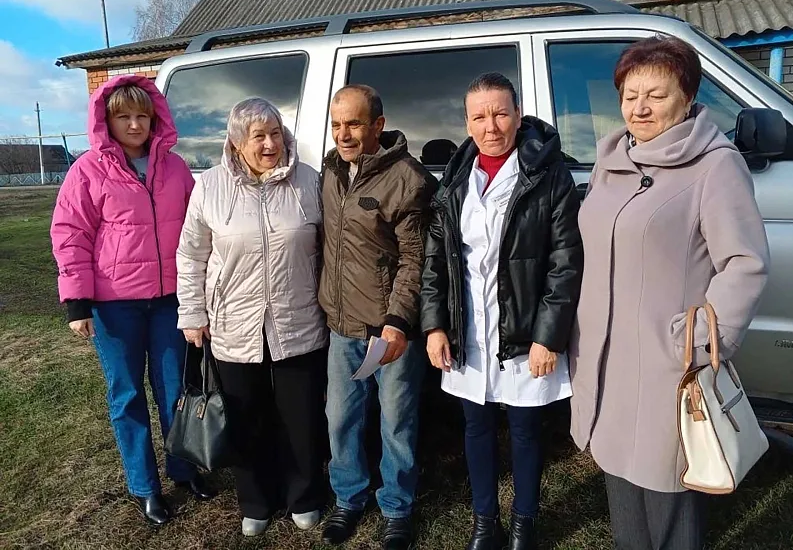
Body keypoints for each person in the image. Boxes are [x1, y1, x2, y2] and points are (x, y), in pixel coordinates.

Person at [569, 36, 770, 550]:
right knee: (620, 476)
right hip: (607, 357)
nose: (639, 107)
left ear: (687, 96)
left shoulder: (714, 165)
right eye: (629, 94)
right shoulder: (612, 158)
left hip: (667, 363)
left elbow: (744, 263)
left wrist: (701, 339)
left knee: (668, 489)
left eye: (655, 95)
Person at [421, 73, 583, 550]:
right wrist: (434, 326)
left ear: (517, 114)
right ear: (467, 123)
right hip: (469, 326)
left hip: (525, 329)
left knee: (526, 428)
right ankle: (485, 522)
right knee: (475, 425)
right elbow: (436, 261)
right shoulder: (455, 178)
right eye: (479, 116)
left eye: (500, 112)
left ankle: (523, 524)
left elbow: (565, 261)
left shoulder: (549, 175)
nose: (491, 125)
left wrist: (548, 336)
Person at [50, 75, 214, 526]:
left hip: (169, 302)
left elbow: (198, 230)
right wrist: (77, 302)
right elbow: (70, 234)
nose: (135, 124)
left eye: (142, 115)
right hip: (114, 306)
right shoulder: (87, 171)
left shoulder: (176, 168)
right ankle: (145, 487)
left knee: (175, 392)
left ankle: (184, 470)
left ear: (155, 117)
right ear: (108, 121)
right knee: (127, 396)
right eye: (124, 116)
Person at [176, 97, 328, 537]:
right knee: (246, 417)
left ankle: (304, 495)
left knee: (300, 417)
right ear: (237, 142)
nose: (269, 144)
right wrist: (192, 312)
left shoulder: (308, 182)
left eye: (275, 133)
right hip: (233, 324)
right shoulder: (210, 187)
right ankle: (256, 502)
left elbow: (328, 250)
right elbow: (191, 255)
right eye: (258, 136)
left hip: (299, 320)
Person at [318, 85, 438, 550]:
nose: (343, 134)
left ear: (377, 126)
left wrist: (398, 320)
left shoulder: (407, 179)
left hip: (387, 330)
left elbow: (415, 258)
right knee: (340, 419)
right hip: (340, 325)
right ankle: (348, 498)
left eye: (352, 124)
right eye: (336, 125)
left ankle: (396, 507)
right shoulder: (329, 172)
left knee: (396, 422)